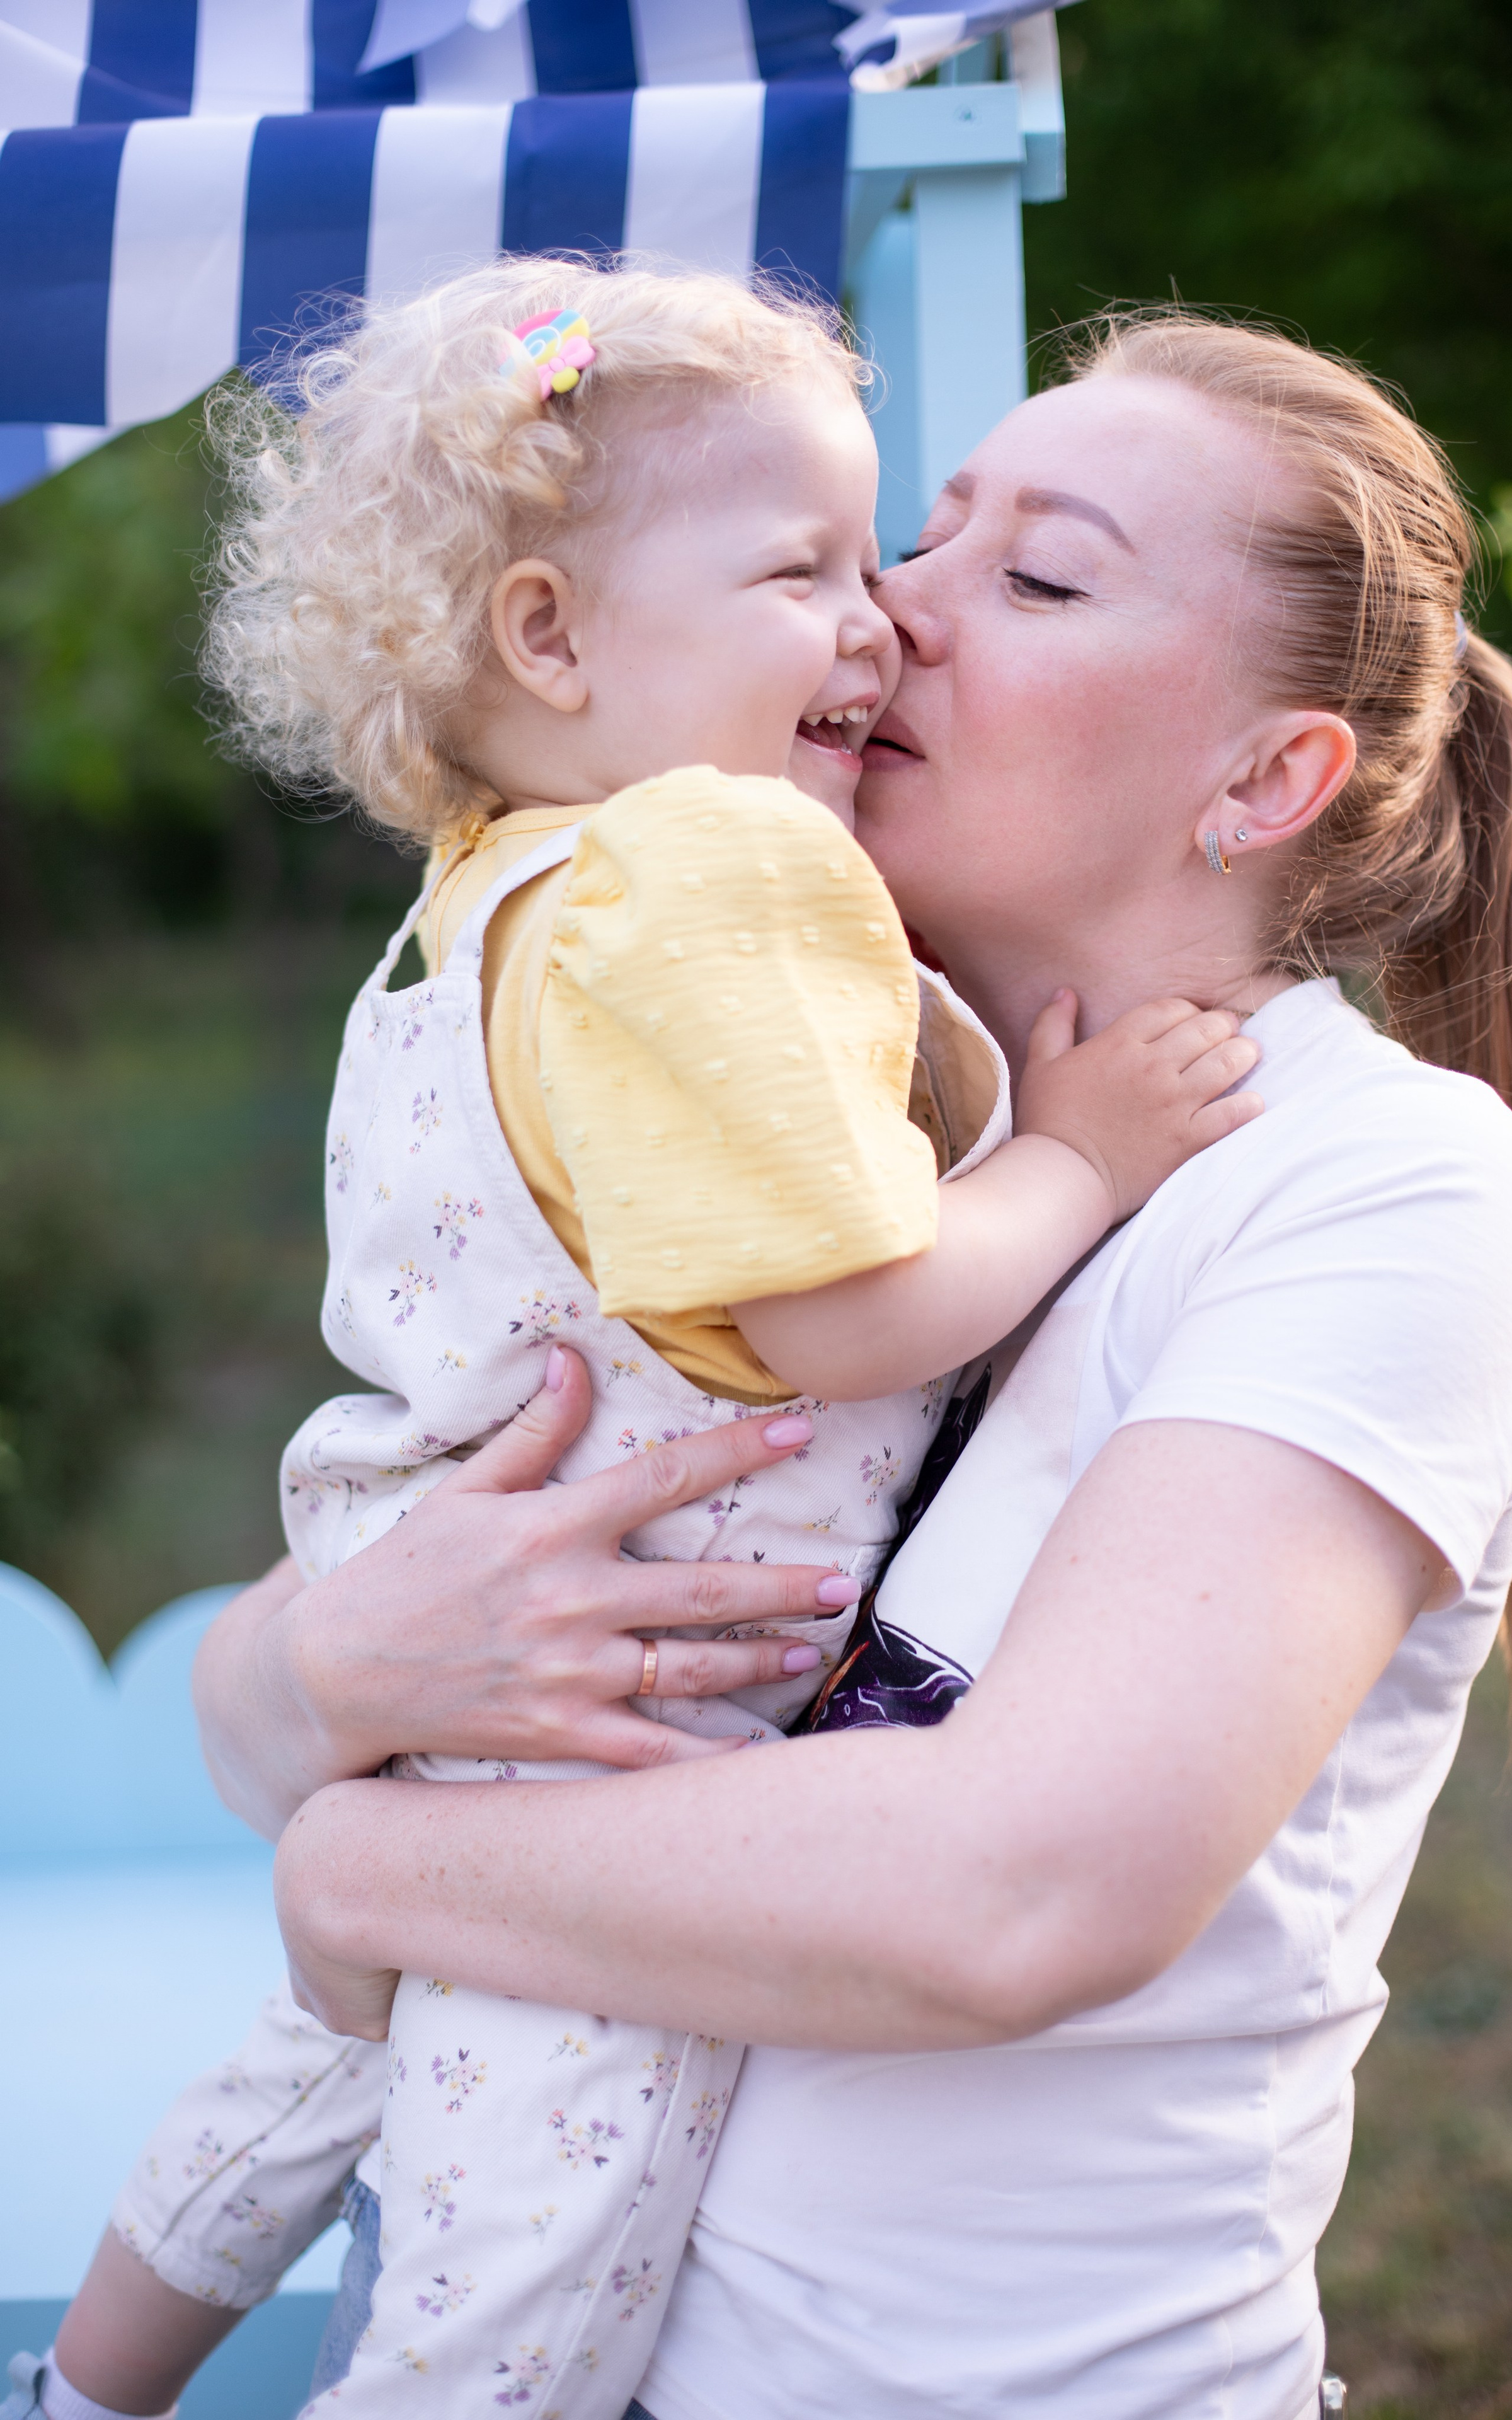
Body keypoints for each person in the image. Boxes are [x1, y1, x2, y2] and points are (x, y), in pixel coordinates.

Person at [11, 271, 1259, 2420]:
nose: (875, 624)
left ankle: (88, 2389)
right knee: (520, 2300)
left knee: (304, 2083)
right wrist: (1069, 1154)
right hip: (627, 1727)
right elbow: (831, 1312)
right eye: (805, 571)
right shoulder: (717, 871)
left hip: (450, 1664)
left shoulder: (482, 901)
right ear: (551, 637)